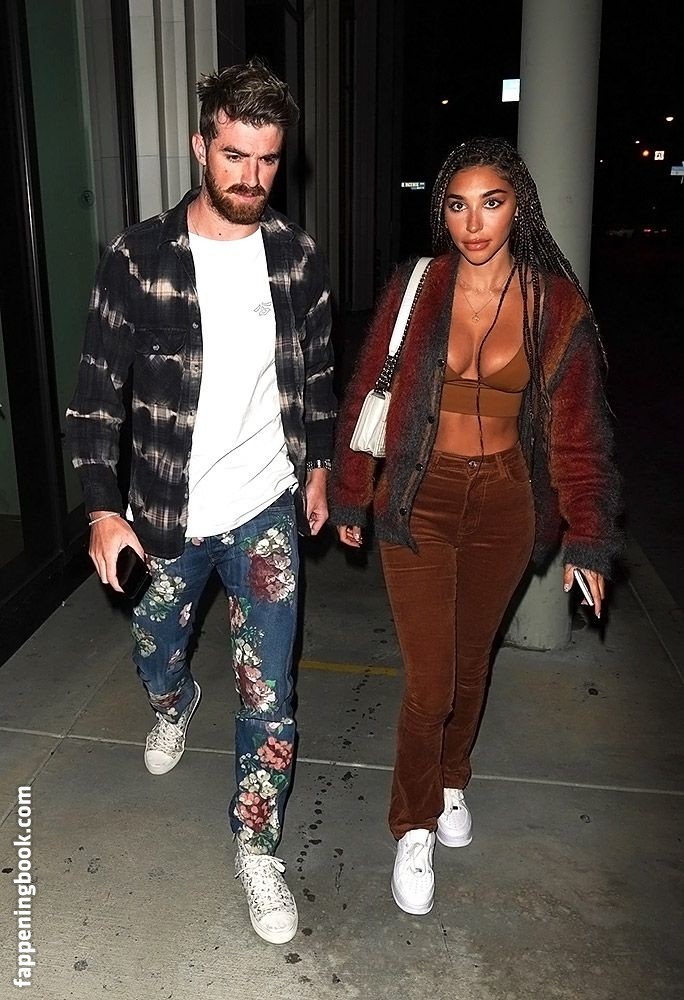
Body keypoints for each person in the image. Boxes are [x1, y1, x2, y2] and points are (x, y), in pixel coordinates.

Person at [66, 58, 335, 945]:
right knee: (153, 650)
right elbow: (96, 398)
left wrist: (320, 466)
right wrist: (103, 510)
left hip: (264, 511)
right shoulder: (137, 259)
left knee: (269, 693)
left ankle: (257, 845)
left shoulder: (295, 258)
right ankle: (173, 700)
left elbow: (316, 377)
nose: (251, 177)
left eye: (268, 159)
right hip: (165, 515)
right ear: (199, 147)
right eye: (233, 156)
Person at [329, 137, 622, 915]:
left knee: (470, 664)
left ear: (517, 205)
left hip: (504, 502)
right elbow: (367, 389)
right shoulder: (417, 286)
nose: (474, 222)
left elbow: (579, 433)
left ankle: (452, 779)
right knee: (429, 681)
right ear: (442, 211)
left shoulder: (555, 305)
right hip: (418, 497)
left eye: (491, 203)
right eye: (457, 205)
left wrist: (589, 538)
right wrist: (353, 493)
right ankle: (413, 824)